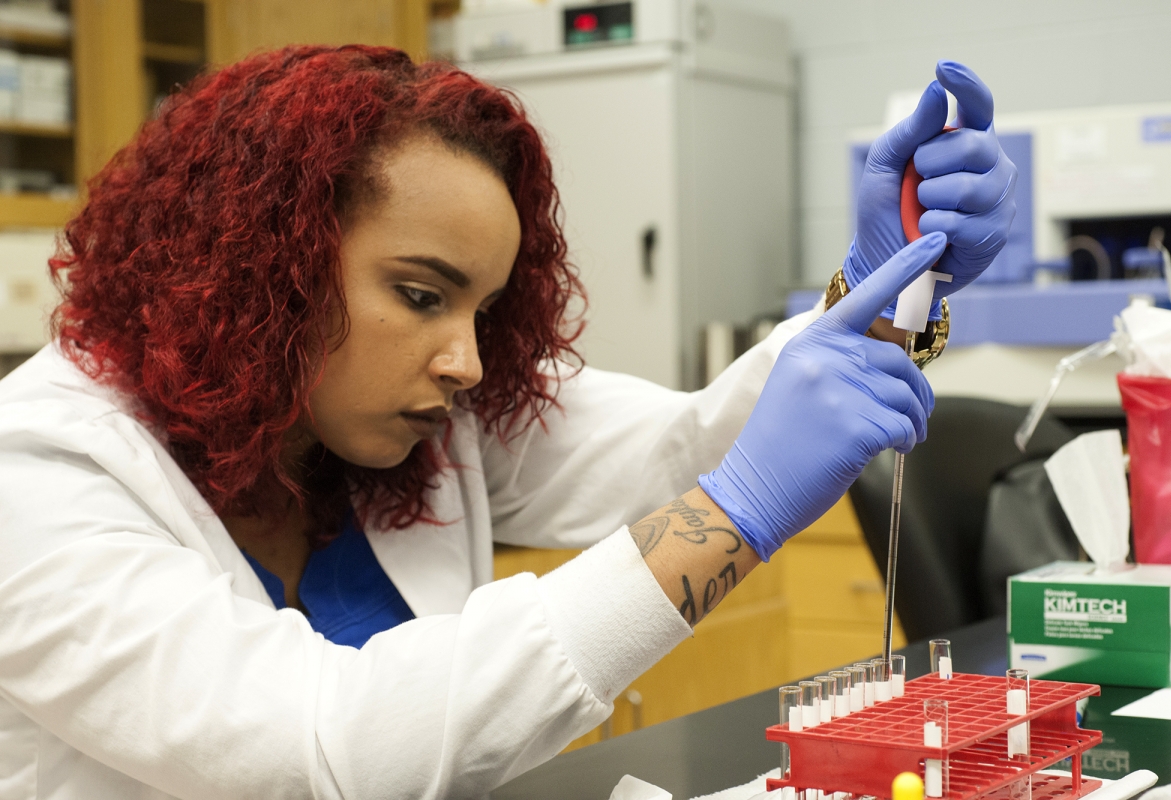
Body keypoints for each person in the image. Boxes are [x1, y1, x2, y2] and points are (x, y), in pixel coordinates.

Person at [0, 47, 1015, 799]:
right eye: (420, 292)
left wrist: (884, 289)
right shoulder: (41, 469)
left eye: (481, 309)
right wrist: (731, 516)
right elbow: (319, 745)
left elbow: (689, 446)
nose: (468, 361)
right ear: (265, 265)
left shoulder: (391, 416)